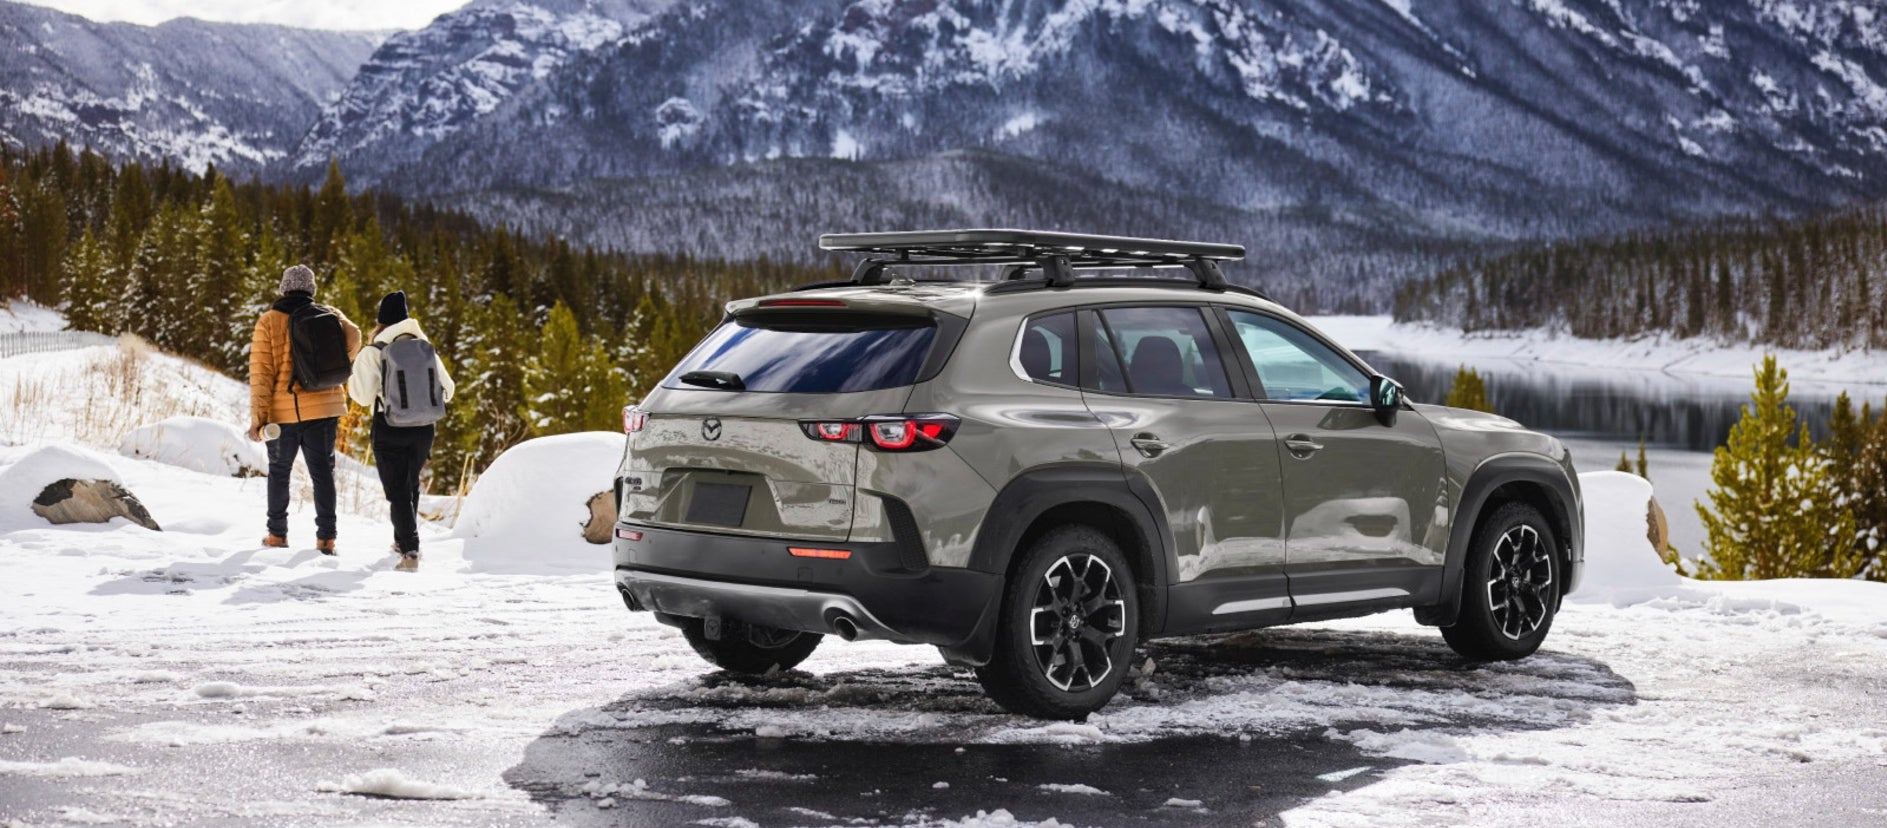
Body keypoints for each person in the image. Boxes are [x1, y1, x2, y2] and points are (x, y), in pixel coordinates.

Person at [248, 264, 362, 553]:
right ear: (311, 290)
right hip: (323, 410)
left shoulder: (269, 322)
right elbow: (355, 338)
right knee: (322, 473)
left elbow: (261, 376)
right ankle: (326, 539)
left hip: (282, 414)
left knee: (279, 472)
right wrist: (337, 314)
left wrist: (258, 421)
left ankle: (277, 535)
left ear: (283, 288)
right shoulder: (327, 316)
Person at [347, 290, 455, 572]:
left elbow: (361, 396)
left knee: (396, 490)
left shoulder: (374, 351)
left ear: (381, 322)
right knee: (409, 484)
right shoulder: (424, 346)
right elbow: (449, 389)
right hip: (424, 428)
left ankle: (410, 550)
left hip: (390, 425)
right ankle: (401, 541)